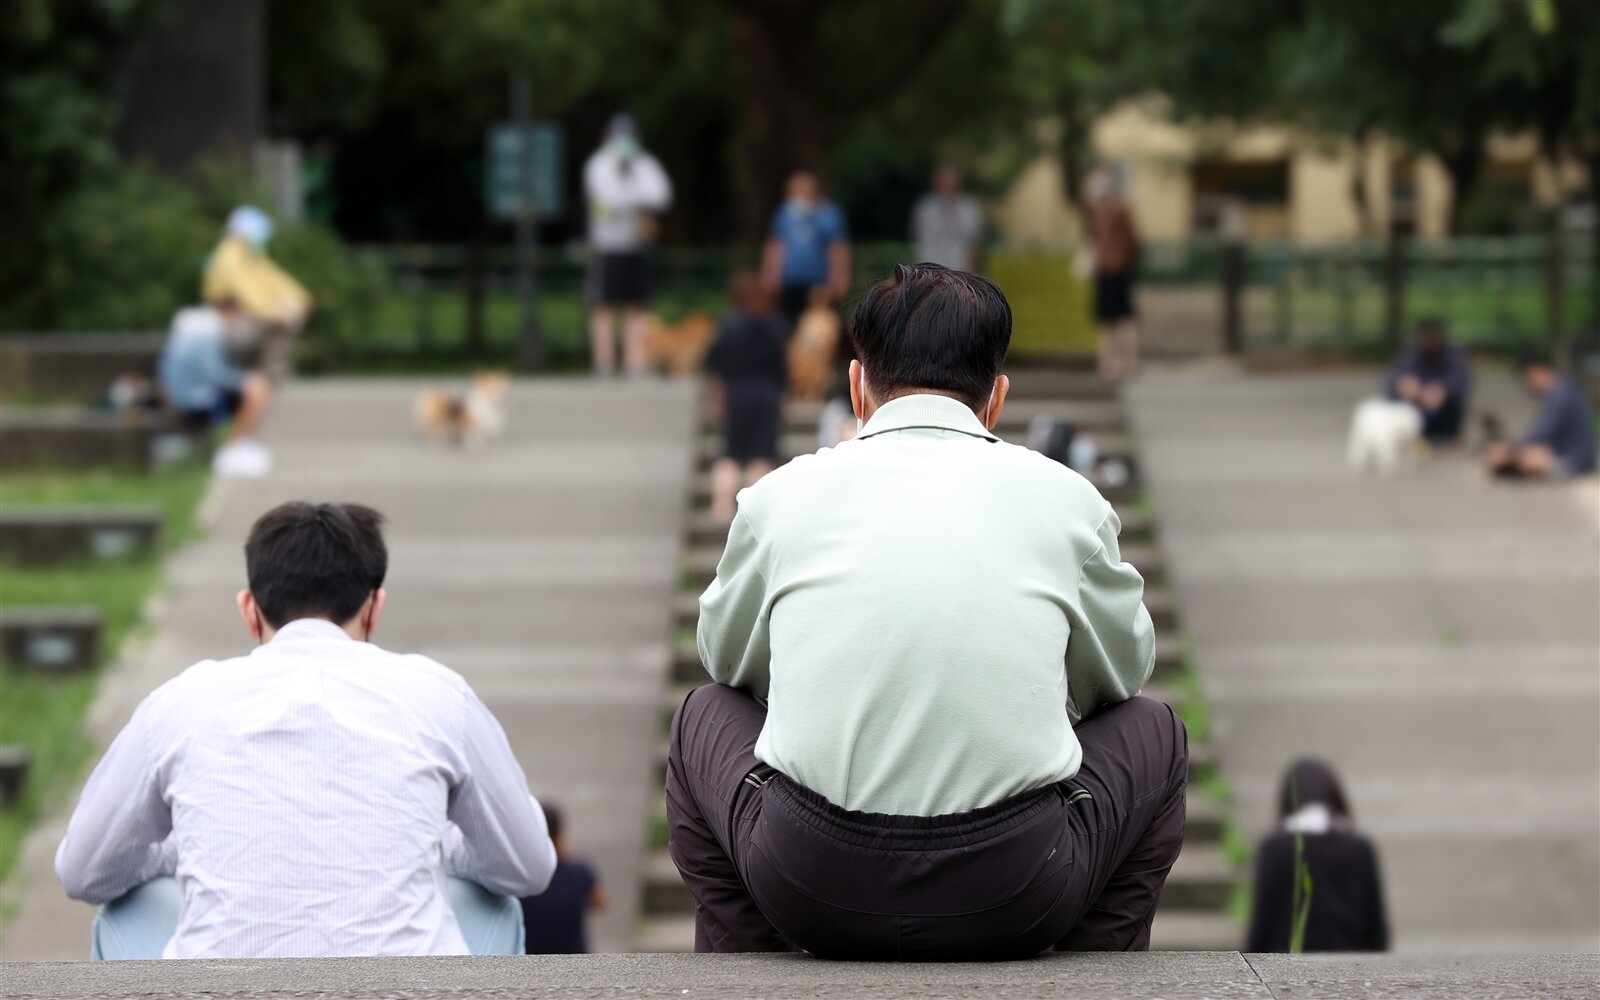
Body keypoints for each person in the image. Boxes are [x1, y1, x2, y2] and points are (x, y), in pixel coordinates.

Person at [667, 263, 1181, 960]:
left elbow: (725, 661)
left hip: (809, 880)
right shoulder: (1068, 502)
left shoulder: (780, 499)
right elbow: (1122, 679)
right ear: (995, 400)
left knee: (701, 714)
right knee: (1156, 730)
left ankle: (750, 974)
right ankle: (1090, 979)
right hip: (1016, 887)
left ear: (856, 387)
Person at [55, 502, 556, 959]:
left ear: (250, 609)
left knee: (125, 908)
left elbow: (84, 871)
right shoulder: (440, 695)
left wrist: (180, 849)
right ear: (374, 607)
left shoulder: (179, 702)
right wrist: (435, 843)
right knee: (496, 903)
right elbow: (527, 866)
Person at [1246, 758, 1389, 953]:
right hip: (1350, 971)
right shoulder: (1359, 848)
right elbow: (1377, 931)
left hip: (1283, 972)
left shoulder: (1275, 848)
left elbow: (1261, 928)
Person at [583, 113, 673, 375]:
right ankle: (604, 360)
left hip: (636, 245)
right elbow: (607, 199)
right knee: (603, 304)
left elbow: (663, 195)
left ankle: (635, 359)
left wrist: (632, 192)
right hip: (605, 245)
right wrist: (637, 198)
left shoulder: (645, 163)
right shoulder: (597, 165)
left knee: (637, 304)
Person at [158, 299, 276, 479]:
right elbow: (213, 374)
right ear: (230, 313)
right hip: (195, 401)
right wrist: (246, 380)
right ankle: (235, 448)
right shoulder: (208, 333)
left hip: (184, 397)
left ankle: (238, 446)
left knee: (254, 386)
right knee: (257, 389)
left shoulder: (192, 328)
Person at [704, 273, 788, 523]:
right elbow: (782, 369)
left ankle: (721, 508)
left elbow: (715, 364)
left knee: (730, 453)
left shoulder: (728, 325)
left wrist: (717, 399)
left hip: (736, 394)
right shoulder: (776, 325)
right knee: (761, 455)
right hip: (767, 395)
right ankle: (756, 515)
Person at [202, 206, 313, 380]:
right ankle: (265, 378)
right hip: (232, 325)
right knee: (280, 324)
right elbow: (250, 297)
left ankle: (268, 378)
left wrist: (300, 299)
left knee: (284, 321)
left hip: (247, 320)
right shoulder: (228, 257)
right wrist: (281, 312)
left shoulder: (250, 255)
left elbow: (276, 280)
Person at [1483, 349, 1597, 479]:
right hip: (1570, 454)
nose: (1527, 385)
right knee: (1525, 455)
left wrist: (1510, 449)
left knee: (1526, 459)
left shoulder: (1560, 394)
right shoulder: (1562, 389)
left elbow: (1542, 433)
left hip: (1575, 460)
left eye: (1526, 378)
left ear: (1536, 371)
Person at [761, 171, 850, 331]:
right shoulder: (783, 215)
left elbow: (837, 249)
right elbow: (776, 246)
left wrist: (840, 277)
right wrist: (770, 274)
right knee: (787, 326)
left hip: (819, 284)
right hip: (790, 283)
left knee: (817, 326)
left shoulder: (829, 215)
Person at [519, 804, 606, 954]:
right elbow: (600, 901)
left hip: (532, 961)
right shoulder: (579, 872)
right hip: (575, 960)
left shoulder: (522, 877)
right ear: (559, 832)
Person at [1085, 166, 1140, 381]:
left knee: (1119, 318)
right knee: (1111, 318)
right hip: (1109, 267)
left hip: (1115, 267)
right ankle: (1113, 361)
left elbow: (1130, 239)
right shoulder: (1103, 208)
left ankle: (1122, 361)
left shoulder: (1115, 208)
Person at [1385, 318, 1471, 444]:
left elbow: (1461, 380)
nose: (1429, 342)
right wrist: (1405, 385)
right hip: (1416, 406)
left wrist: (1442, 390)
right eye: (1425, 338)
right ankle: (1405, 434)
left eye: (1432, 337)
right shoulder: (1409, 354)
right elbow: (1393, 378)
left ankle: (1449, 436)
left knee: (1455, 398)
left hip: (1441, 408)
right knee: (1394, 396)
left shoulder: (1455, 354)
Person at [910, 163, 984, 272]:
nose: (947, 184)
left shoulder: (969, 207)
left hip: (959, 268)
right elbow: (918, 237)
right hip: (929, 267)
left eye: (950, 180)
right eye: (943, 180)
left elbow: (973, 240)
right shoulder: (925, 206)